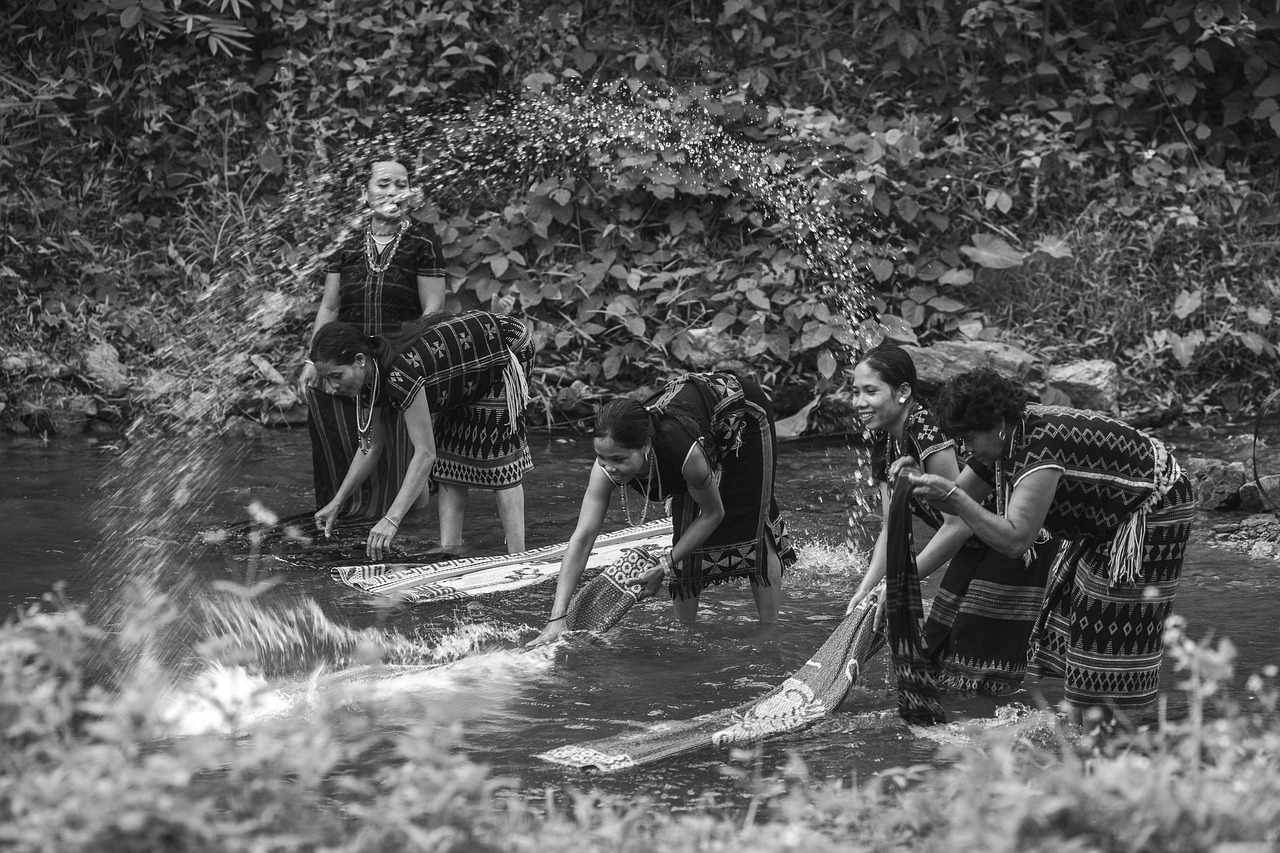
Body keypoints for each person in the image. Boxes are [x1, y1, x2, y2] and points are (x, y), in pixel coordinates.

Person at [898, 367, 1194, 721]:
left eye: (967, 438)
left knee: (1111, 636)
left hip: (1153, 507)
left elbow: (1015, 540)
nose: (963, 448)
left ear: (996, 425)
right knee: (1083, 626)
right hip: (1106, 516)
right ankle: (1100, 728)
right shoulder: (1005, 438)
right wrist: (917, 481)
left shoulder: (1039, 449)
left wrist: (954, 498)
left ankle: (1131, 729)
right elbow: (956, 498)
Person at [531, 371, 797, 645]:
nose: (609, 467)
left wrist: (665, 565)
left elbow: (713, 513)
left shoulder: (683, 452)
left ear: (645, 447)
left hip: (743, 414)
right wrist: (557, 617)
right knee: (684, 533)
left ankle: (769, 632)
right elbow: (583, 537)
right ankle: (686, 637)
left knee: (751, 520)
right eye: (601, 457)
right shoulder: (604, 469)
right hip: (695, 426)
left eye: (619, 459)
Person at [845, 343, 1051, 696]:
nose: (859, 402)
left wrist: (895, 587)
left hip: (1008, 542)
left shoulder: (926, 427)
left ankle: (1002, 731)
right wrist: (866, 589)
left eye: (870, 391)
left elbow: (958, 521)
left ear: (904, 392)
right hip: (974, 548)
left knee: (973, 665)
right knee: (934, 655)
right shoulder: (884, 441)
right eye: (855, 392)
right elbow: (892, 526)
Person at [309, 310, 534, 559]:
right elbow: (371, 447)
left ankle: (518, 557)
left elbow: (425, 454)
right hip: (462, 370)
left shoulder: (401, 374)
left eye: (336, 376)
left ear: (360, 360)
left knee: (496, 456)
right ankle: (451, 551)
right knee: (450, 457)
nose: (332, 387)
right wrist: (337, 503)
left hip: (502, 348)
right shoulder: (368, 381)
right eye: (326, 379)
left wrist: (391, 520)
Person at [298, 157, 447, 519]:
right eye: (383, 184)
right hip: (348, 363)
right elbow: (330, 307)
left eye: (401, 184)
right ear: (364, 192)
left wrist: (412, 362)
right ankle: (344, 513)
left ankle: (409, 526)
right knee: (349, 441)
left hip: (399, 364)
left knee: (404, 450)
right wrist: (312, 360)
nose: (393, 191)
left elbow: (433, 310)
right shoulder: (346, 241)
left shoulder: (422, 241)